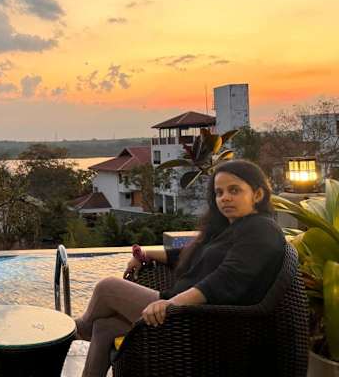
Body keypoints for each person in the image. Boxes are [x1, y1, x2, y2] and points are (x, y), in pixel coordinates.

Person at [74, 159, 285, 377]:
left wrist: (171, 304)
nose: (225, 198)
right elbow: (191, 254)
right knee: (105, 327)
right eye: (219, 192)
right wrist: (146, 254)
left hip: (201, 321)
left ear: (258, 194)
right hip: (189, 314)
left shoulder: (261, 229)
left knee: (107, 288)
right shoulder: (231, 228)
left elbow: (227, 279)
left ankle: (74, 331)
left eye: (234, 190)